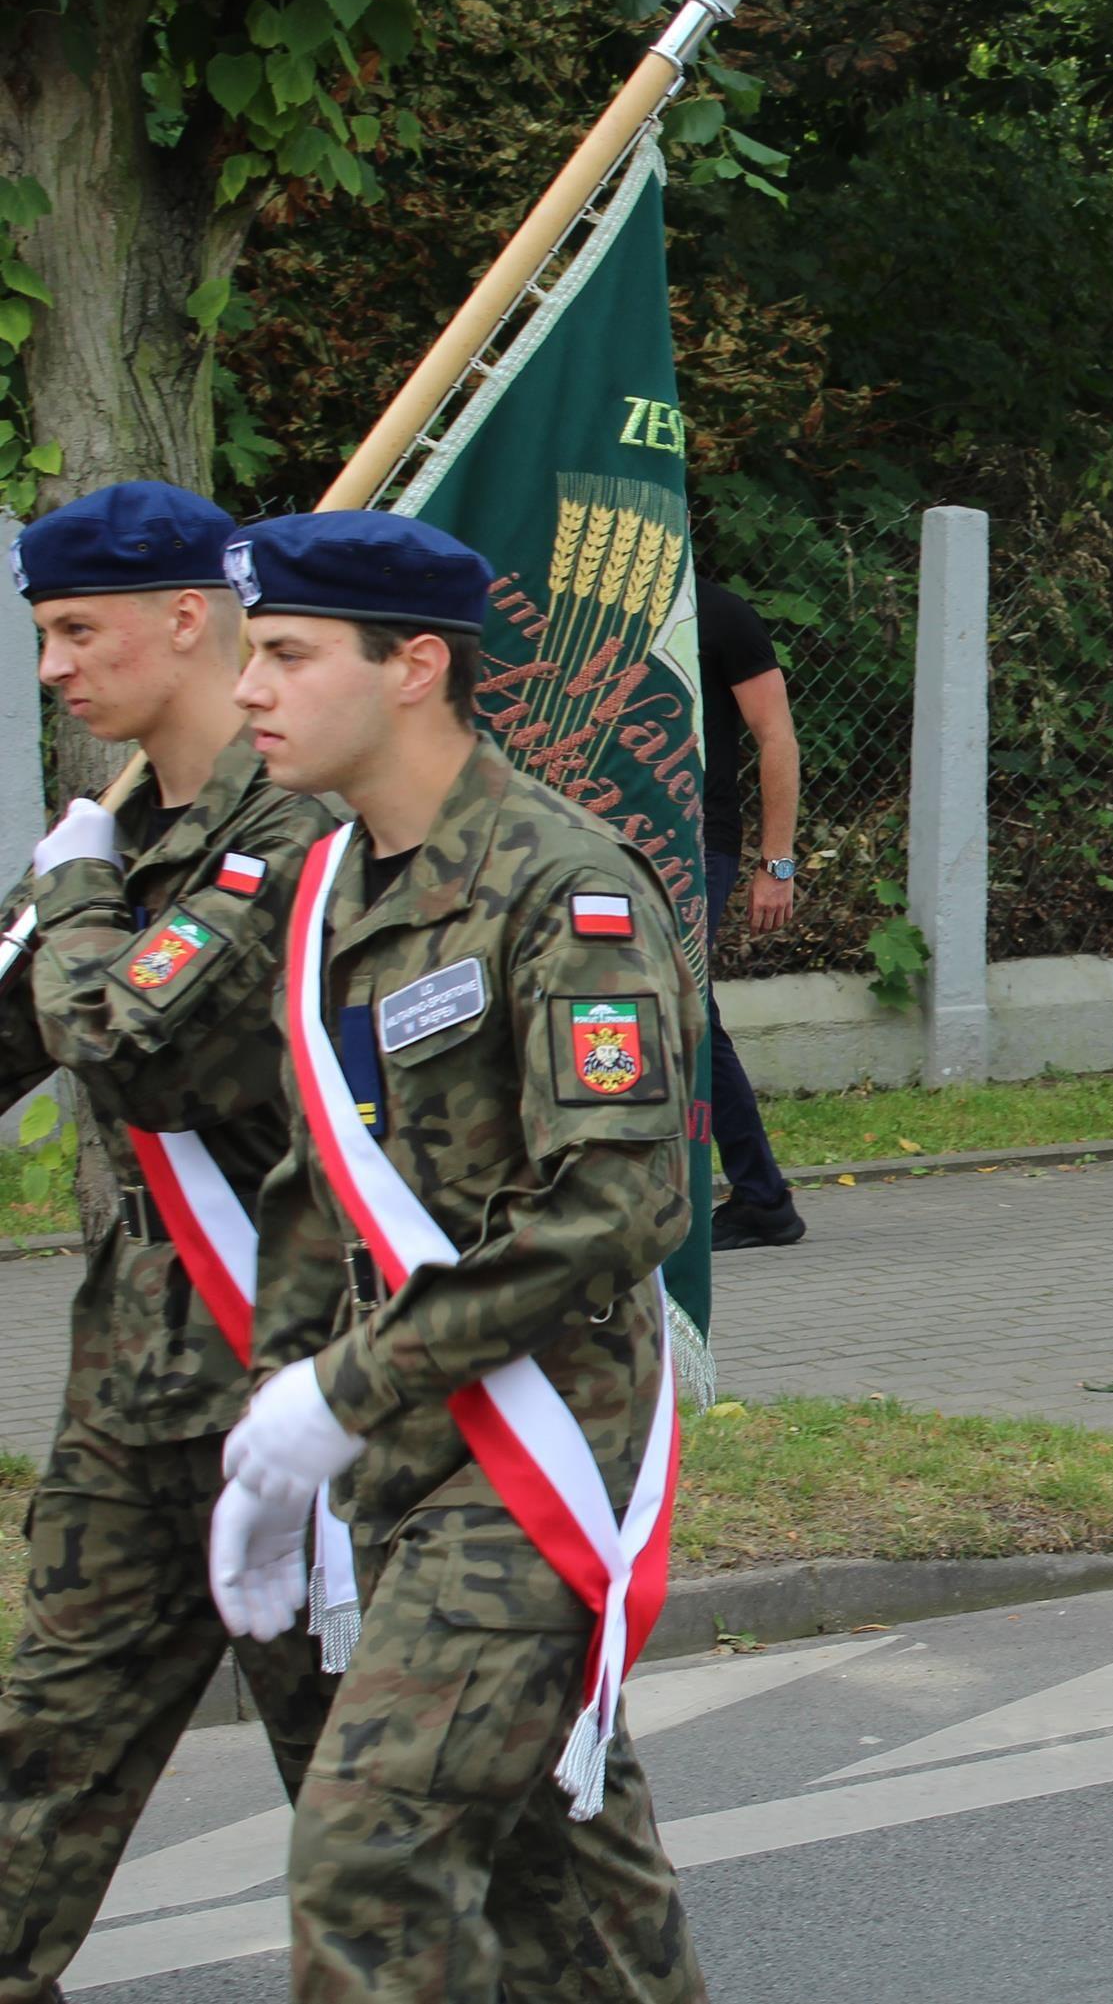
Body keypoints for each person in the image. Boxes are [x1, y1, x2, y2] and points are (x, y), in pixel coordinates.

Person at [210, 511, 706, 1995]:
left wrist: (345, 1390)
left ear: (413, 665)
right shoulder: (330, 890)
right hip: (399, 1456)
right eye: (249, 654)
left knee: (369, 1858)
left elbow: (615, 1208)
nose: (250, 691)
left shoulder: (568, 888)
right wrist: (279, 1446)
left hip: (540, 1444)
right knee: (565, 1876)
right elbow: (318, 1196)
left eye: (287, 655)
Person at [0, 483, 340, 2001]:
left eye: (79, 631)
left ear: (190, 617)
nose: (55, 668)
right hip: (133, 1392)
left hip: (303, 1392)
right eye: (45, 637)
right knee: (43, 1749)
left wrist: (70, 890)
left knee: (369, 1791)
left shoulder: (301, 826)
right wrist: (68, 889)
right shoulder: (119, 834)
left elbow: (131, 1044)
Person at [698, 573, 806, 1252]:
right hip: (596, 843)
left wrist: (777, 863)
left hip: (695, 843)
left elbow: (776, 736)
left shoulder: (720, 614)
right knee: (681, 1010)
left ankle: (762, 1196)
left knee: (678, 1004)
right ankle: (761, 1194)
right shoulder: (585, 611)